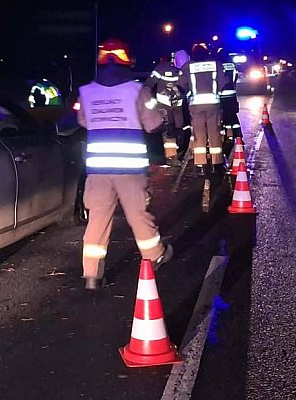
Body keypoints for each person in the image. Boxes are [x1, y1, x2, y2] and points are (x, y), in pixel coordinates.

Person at [76, 37, 173, 290]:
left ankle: (91, 275)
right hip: (130, 169)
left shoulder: (86, 92)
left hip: (98, 169)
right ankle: (156, 255)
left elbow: (83, 121)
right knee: (137, 214)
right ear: (126, 60)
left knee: (97, 219)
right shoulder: (137, 90)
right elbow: (153, 123)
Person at [177, 43, 226, 174]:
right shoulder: (216, 64)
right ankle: (217, 163)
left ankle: (200, 164)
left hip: (195, 105)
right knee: (214, 133)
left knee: (199, 134)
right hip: (213, 105)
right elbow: (224, 84)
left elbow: (180, 87)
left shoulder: (187, 66)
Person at [143, 54, 187, 166]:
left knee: (180, 129)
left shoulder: (185, 69)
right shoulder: (161, 68)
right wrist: (150, 101)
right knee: (168, 131)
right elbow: (148, 85)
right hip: (164, 105)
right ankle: (171, 157)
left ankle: (179, 153)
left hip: (178, 105)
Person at [216, 48, 242, 157]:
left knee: (224, 116)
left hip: (221, 95)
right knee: (233, 116)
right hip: (232, 94)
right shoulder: (232, 65)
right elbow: (235, 78)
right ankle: (238, 136)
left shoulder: (218, 66)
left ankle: (226, 136)